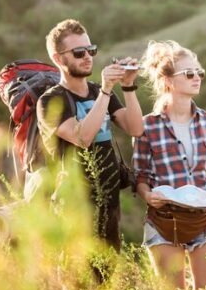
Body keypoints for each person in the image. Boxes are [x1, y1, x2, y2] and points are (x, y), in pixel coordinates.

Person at [132, 40, 206, 290]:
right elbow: (140, 177)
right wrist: (147, 196)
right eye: (188, 73)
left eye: (199, 72)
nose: (196, 78)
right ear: (167, 80)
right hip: (164, 222)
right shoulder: (147, 126)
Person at [37, 19, 143, 252]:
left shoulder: (97, 91)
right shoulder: (50, 101)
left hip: (109, 204)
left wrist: (128, 86)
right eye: (78, 52)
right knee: (78, 283)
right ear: (58, 58)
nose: (87, 56)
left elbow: (135, 128)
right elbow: (82, 138)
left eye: (90, 50)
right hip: (74, 208)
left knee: (107, 281)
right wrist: (106, 90)